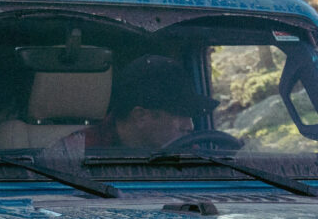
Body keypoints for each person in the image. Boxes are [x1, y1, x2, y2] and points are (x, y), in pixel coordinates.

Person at [52, 53, 212, 159]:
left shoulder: (187, 148)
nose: (189, 126)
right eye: (180, 114)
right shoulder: (76, 152)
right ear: (141, 116)